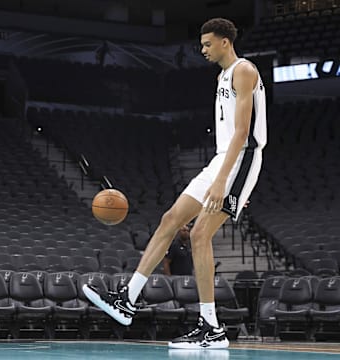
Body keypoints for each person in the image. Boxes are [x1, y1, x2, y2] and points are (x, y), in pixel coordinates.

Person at [83, 17, 267, 349]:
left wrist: (226, 180)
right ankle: (128, 298)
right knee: (170, 219)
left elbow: (243, 132)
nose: (203, 49)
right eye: (202, 44)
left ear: (225, 41)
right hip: (222, 160)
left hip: (240, 160)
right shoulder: (223, 75)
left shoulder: (243, 70)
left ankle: (211, 327)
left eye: (208, 43)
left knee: (199, 235)